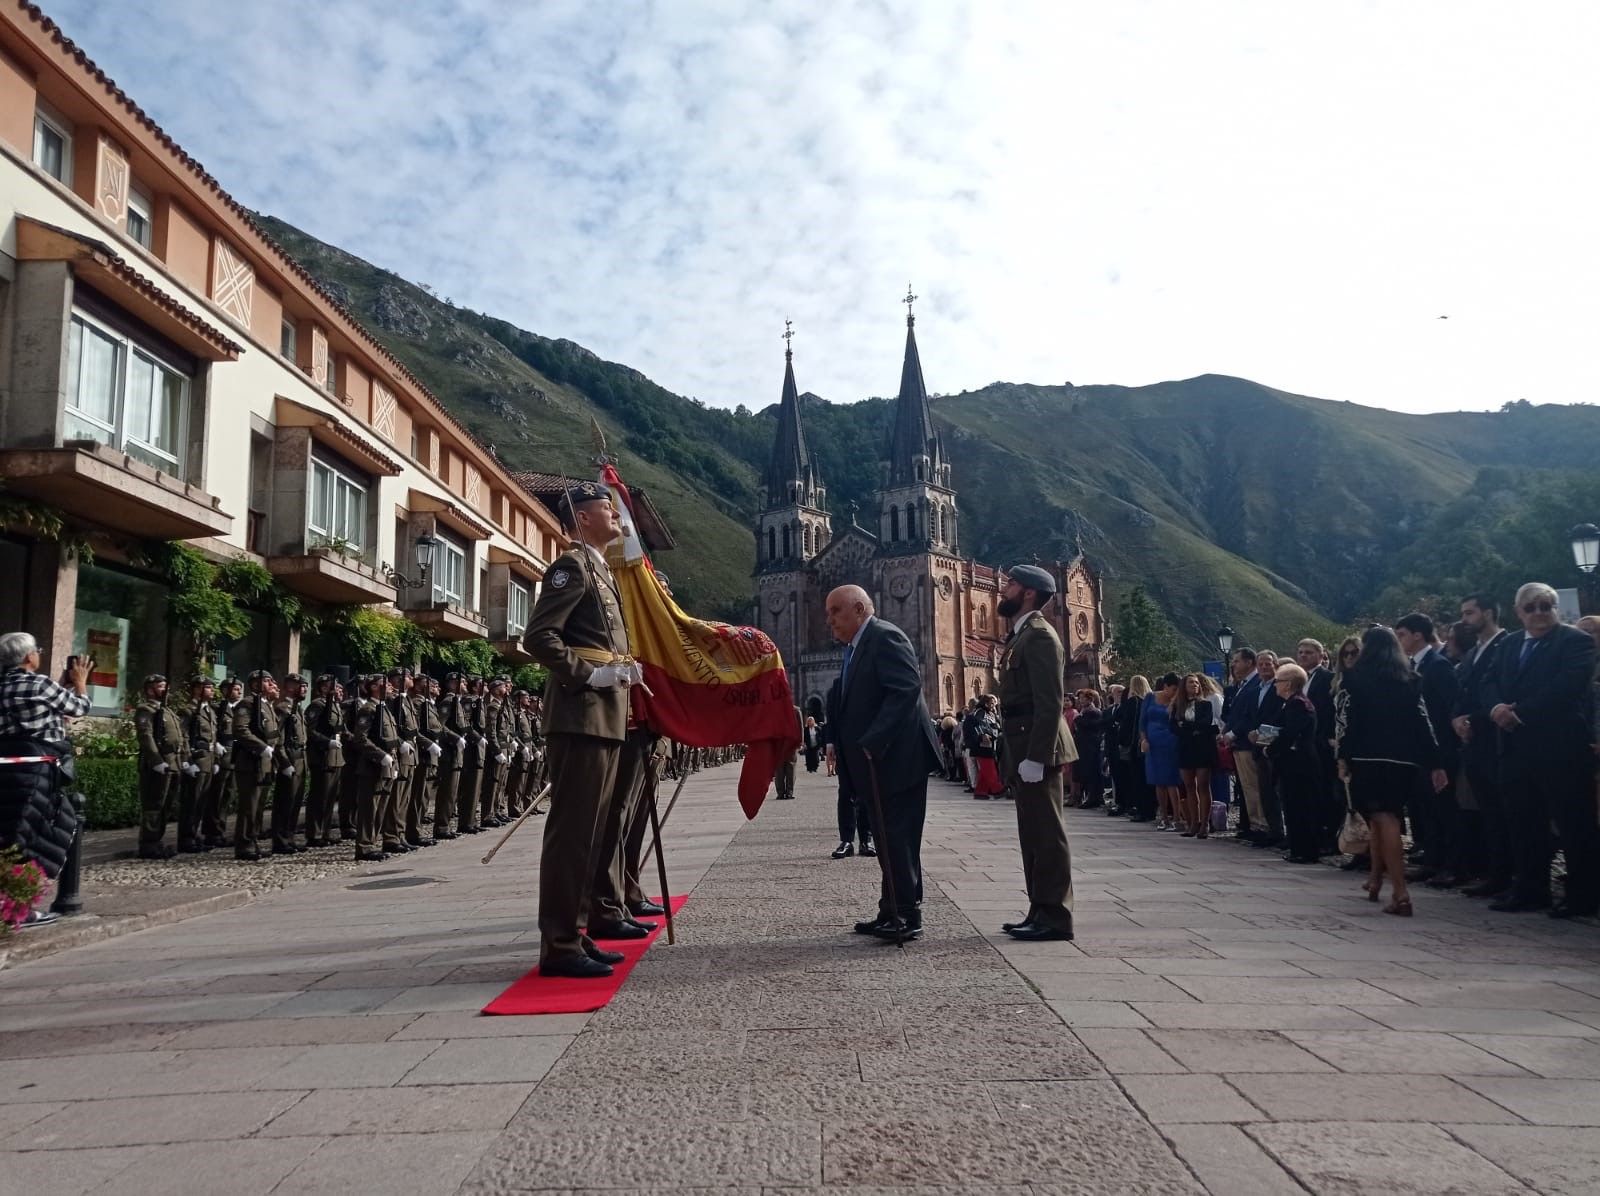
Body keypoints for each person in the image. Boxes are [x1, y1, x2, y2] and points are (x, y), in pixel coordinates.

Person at [524, 480, 642, 978]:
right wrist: (589, 674)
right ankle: (559, 944)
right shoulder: (571, 566)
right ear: (583, 516)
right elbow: (539, 636)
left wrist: (621, 669)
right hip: (581, 712)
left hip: (605, 713)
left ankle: (578, 932)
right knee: (572, 833)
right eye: (607, 508)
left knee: (593, 832)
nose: (616, 515)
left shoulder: (600, 570)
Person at [824, 584, 942, 942]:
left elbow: (905, 688)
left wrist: (873, 741)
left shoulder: (885, 637)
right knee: (888, 838)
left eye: (835, 611)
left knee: (899, 838)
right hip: (877, 766)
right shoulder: (856, 647)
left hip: (896, 761)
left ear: (859, 609)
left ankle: (908, 915)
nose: (830, 620)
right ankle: (891, 908)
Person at [1482, 582, 1598, 917]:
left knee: (1573, 823)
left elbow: (1567, 686)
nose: (1539, 613)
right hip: (1516, 748)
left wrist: (1519, 713)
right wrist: (1495, 709)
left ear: (1555, 608)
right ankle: (1531, 888)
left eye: (1546, 606)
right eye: (1531, 607)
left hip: (1560, 747)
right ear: (1518, 612)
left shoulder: (1575, 641)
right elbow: (1488, 681)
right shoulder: (1509, 644)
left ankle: (1583, 896)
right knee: (1523, 821)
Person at [1335, 626, 1446, 916]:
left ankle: (1400, 890)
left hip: (1367, 758)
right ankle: (1374, 879)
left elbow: (1346, 722)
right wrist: (1435, 761)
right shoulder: (1409, 680)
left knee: (1384, 820)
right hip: (1403, 761)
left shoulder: (1354, 679)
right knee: (1383, 819)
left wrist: (1342, 756)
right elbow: (1423, 722)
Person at [994, 565, 1078, 942]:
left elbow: (1050, 702)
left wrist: (1038, 755)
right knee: (1032, 833)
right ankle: (1039, 908)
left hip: (1034, 745)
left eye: (1010, 584)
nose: (1004, 588)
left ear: (1028, 593)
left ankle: (1056, 916)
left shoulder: (1040, 636)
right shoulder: (1021, 635)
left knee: (1048, 833)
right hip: (1021, 743)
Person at [0, 633, 90, 925]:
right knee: (34, 835)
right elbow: (79, 708)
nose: (39, 654)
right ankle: (18, 907)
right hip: (37, 771)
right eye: (37, 650)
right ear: (28, 657)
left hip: (8, 766)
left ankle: (13, 904)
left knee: (12, 832)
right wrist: (79, 683)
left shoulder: (4, 686)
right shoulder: (39, 684)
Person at [1452, 595, 1511, 899]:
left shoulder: (1507, 646)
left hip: (1496, 741)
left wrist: (1471, 718)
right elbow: (1464, 693)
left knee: (1504, 812)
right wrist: (1456, 719)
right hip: (1473, 742)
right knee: (1488, 811)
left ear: (1488, 613)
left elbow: (1500, 692)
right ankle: (1494, 873)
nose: (1464, 619)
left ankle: (1507, 875)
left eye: (1470, 613)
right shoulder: (1474, 652)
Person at [1395, 613, 1460, 885]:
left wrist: (1441, 754)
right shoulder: (1411, 665)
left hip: (1440, 749)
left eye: (1402, 635)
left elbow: (1447, 710)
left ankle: (1453, 865)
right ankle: (1432, 860)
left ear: (1417, 635)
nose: (1399, 641)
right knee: (1427, 810)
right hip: (1420, 750)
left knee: (1446, 810)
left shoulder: (1438, 665)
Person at [1268, 662, 1323, 864]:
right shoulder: (1291, 703)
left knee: (1301, 806)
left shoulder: (1298, 704)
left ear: (1288, 684)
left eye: (1278, 681)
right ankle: (1298, 847)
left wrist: (1270, 748)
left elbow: (1290, 734)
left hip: (1300, 763)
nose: (1275, 685)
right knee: (1293, 805)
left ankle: (1306, 850)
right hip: (1293, 762)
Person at [231, 670, 281, 862]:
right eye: (267, 681)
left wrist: (274, 752)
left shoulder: (267, 706)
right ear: (255, 685)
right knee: (249, 806)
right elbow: (240, 729)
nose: (271, 684)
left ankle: (253, 840)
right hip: (250, 761)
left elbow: (273, 733)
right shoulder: (247, 704)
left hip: (265, 762)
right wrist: (261, 748)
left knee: (259, 806)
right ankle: (244, 844)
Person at [133, 673, 184, 859]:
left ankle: (157, 841)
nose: (165, 690)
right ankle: (148, 843)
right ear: (150, 689)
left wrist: (183, 760)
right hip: (157, 764)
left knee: (166, 805)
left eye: (165, 686)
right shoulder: (145, 709)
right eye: (161, 686)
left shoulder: (168, 711)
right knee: (154, 805)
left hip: (172, 763)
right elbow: (146, 736)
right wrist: (156, 761)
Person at [1241, 651, 1287, 847]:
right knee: (1265, 790)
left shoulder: (1280, 688)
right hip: (1258, 746)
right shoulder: (1254, 691)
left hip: (1274, 746)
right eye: (1261, 664)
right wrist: (1252, 731)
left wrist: (1263, 733)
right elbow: (1249, 715)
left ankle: (1281, 830)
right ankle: (1270, 829)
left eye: (1268, 663)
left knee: (1278, 791)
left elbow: (1279, 716)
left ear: (1275, 665)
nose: (1264, 667)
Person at [1170, 673, 1217, 838]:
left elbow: (1204, 724)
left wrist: (1186, 726)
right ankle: (1193, 823)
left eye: (1196, 683)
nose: (1194, 685)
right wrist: (1189, 729)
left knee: (1203, 785)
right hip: (1185, 747)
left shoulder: (1205, 705)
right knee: (1189, 786)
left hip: (1202, 747)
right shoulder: (1178, 705)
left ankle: (1205, 824)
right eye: (1191, 682)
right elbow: (1173, 727)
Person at [177, 676, 218, 854]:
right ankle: (186, 838)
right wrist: (187, 760)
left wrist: (215, 759)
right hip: (197, 759)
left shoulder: (209, 711)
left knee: (202, 801)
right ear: (196, 690)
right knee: (191, 801)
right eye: (208, 687)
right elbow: (183, 736)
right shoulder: (188, 711)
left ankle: (194, 834)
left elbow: (213, 737)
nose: (212, 691)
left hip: (208, 759)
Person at [304, 673, 345, 848]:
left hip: (336, 757)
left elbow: (340, 728)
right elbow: (311, 731)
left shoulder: (334, 705)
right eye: (333, 685)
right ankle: (315, 833)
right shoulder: (317, 705)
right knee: (319, 797)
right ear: (323, 688)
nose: (336, 689)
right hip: (322, 755)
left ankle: (325, 832)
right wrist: (326, 741)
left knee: (329, 799)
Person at [270, 673, 308, 855]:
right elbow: (278, 739)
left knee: (295, 801)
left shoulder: (297, 708)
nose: (305, 690)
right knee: (285, 801)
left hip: (300, 757)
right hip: (290, 756)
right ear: (291, 687)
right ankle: (280, 839)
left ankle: (289, 837)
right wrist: (284, 763)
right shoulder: (283, 708)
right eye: (301, 686)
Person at [1141, 673, 1183, 830]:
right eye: (1173, 689)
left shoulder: (1178, 701)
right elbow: (1142, 721)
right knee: (1158, 780)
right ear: (1165, 686)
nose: (1174, 692)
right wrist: (1144, 739)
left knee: (1172, 780)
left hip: (1170, 741)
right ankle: (1164, 817)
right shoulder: (1150, 697)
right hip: (1153, 743)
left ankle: (1177, 817)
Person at [1118, 677, 1153, 820]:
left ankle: (1142, 810)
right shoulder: (1150, 701)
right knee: (1148, 778)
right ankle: (1149, 808)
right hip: (1148, 742)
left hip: (1134, 745)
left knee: (1138, 779)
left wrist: (1122, 740)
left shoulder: (1133, 702)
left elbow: (1125, 723)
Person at [1072, 690, 1106, 809]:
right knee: (1085, 772)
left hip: (1090, 746)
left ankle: (1094, 797)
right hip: (1084, 745)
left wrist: (1077, 719)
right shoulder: (1084, 711)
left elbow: (1088, 725)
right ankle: (1088, 796)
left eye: (1083, 698)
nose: (1080, 700)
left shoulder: (1093, 712)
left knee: (1092, 772)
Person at [970, 694, 1004, 798]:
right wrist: (982, 734)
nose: (993, 706)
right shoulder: (980, 712)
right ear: (986, 703)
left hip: (991, 743)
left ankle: (981, 791)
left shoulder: (991, 713)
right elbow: (978, 724)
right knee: (989, 767)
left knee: (985, 768)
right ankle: (997, 788)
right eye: (992, 703)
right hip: (983, 744)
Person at [774, 705, 801, 799]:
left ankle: (784, 792)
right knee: (782, 769)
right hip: (781, 744)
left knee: (786, 768)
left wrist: (800, 742)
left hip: (788, 744)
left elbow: (800, 728)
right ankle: (784, 792)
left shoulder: (796, 710)